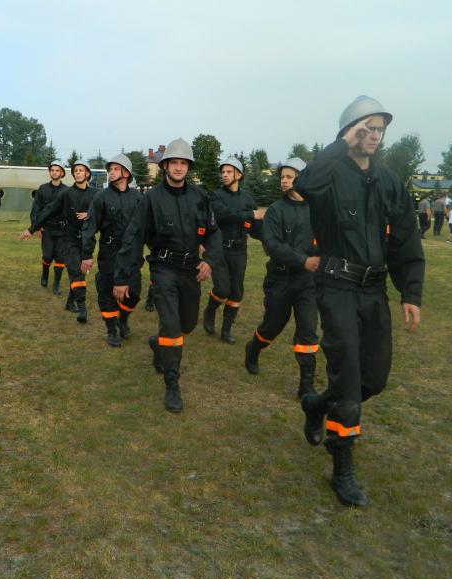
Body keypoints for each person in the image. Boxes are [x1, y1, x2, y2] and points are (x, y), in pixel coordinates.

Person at [293, 96, 424, 507]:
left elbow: (405, 237)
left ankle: (317, 403)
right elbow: (304, 185)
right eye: (366, 128)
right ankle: (342, 466)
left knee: (374, 378)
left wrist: (411, 292)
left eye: (379, 129)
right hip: (336, 289)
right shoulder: (329, 175)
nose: (374, 135)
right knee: (348, 379)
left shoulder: (388, 181)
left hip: (374, 291)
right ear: (349, 132)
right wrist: (341, 145)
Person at [113, 138, 222, 413]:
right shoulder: (151, 199)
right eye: (173, 162)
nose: (178, 168)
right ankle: (172, 385)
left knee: (187, 325)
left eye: (183, 163)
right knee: (172, 327)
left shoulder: (200, 197)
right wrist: (122, 277)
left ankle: (159, 344)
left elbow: (213, 233)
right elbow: (133, 238)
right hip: (163, 269)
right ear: (164, 166)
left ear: (189, 167)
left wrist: (210, 260)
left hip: (191, 270)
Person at [244, 157, 320, 399]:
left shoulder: (316, 209)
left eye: (289, 176)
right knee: (272, 326)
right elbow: (272, 245)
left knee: (308, 329)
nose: (284, 181)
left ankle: (306, 385)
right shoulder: (276, 210)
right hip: (280, 279)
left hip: (307, 281)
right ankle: (254, 347)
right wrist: (302, 260)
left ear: (302, 178)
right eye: (282, 177)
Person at [81, 154, 143, 347]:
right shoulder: (101, 197)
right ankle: (111, 331)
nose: (111, 172)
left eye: (116, 169)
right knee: (107, 291)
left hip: (132, 253)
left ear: (126, 173)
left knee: (134, 293)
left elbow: (147, 227)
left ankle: (123, 320)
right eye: (110, 169)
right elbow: (89, 226)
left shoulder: (138, 198)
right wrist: (86, 255)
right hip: (109, 252)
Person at [22, 158, 94, 322]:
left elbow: (102, 212)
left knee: (81, 271)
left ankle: (69, 302)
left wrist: (89, 214)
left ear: (87, 174)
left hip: (86, 240)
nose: (78, 173)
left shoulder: (95, 194)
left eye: (81, 170)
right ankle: (82, 308)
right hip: (67, 239)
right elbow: (48, 211)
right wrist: (32, 228)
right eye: (76, 171)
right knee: (75, 271)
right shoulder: (66, 194)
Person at [202, 156, 264, 344]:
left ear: (239, 175)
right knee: (222, 289)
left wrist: (268, 238)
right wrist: (250, 214)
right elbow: (223, 215)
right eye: (223, 172)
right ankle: (210, 311)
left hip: (239, 251)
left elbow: (256, 227)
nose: (225, 175)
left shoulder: (247, 199)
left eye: (229, 172)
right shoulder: (215, 196)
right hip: (219, 250)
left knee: (236, 293)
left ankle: (226, 329)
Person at [30, 160, 68, 294]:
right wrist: (36, 226)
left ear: (62, 173)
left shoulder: (67, 191)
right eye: (52, 170)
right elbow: (36, 209)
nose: (54, 172)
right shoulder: (43, 189)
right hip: (47, 229)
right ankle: (45, 273)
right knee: (47, 256)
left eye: (57, 170)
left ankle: (56, 284)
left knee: (60, 258)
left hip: (62, 230)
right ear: (50, 172)